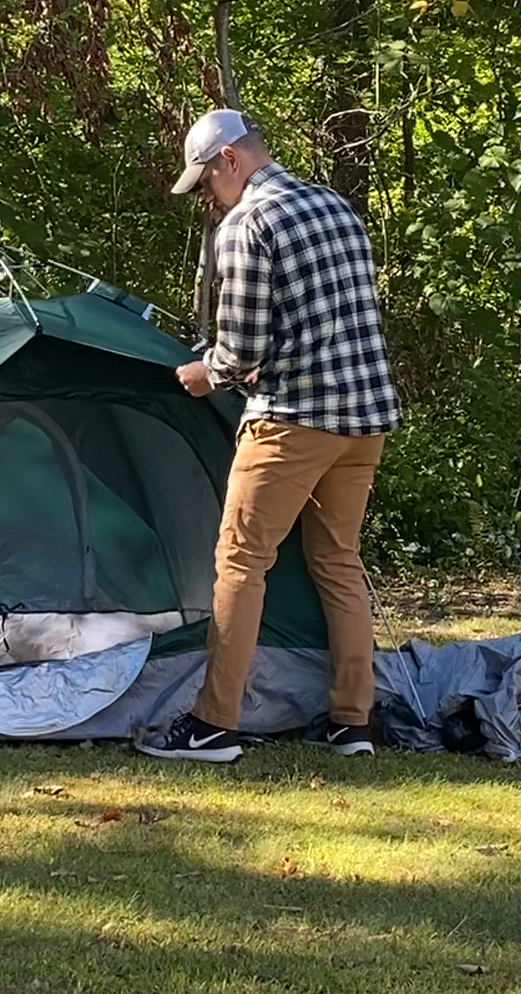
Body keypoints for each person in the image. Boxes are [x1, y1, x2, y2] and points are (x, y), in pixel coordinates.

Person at [135, 108, 401, 763]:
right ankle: (352, 722)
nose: (206, 195)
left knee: (240, 563)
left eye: (205, 182)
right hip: (364, 422)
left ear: (230, 160)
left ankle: (214, 724)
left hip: (293, 420)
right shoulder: (335, 206)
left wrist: (207, 373)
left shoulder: (248, 223)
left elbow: (244, 347)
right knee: (338, 563)